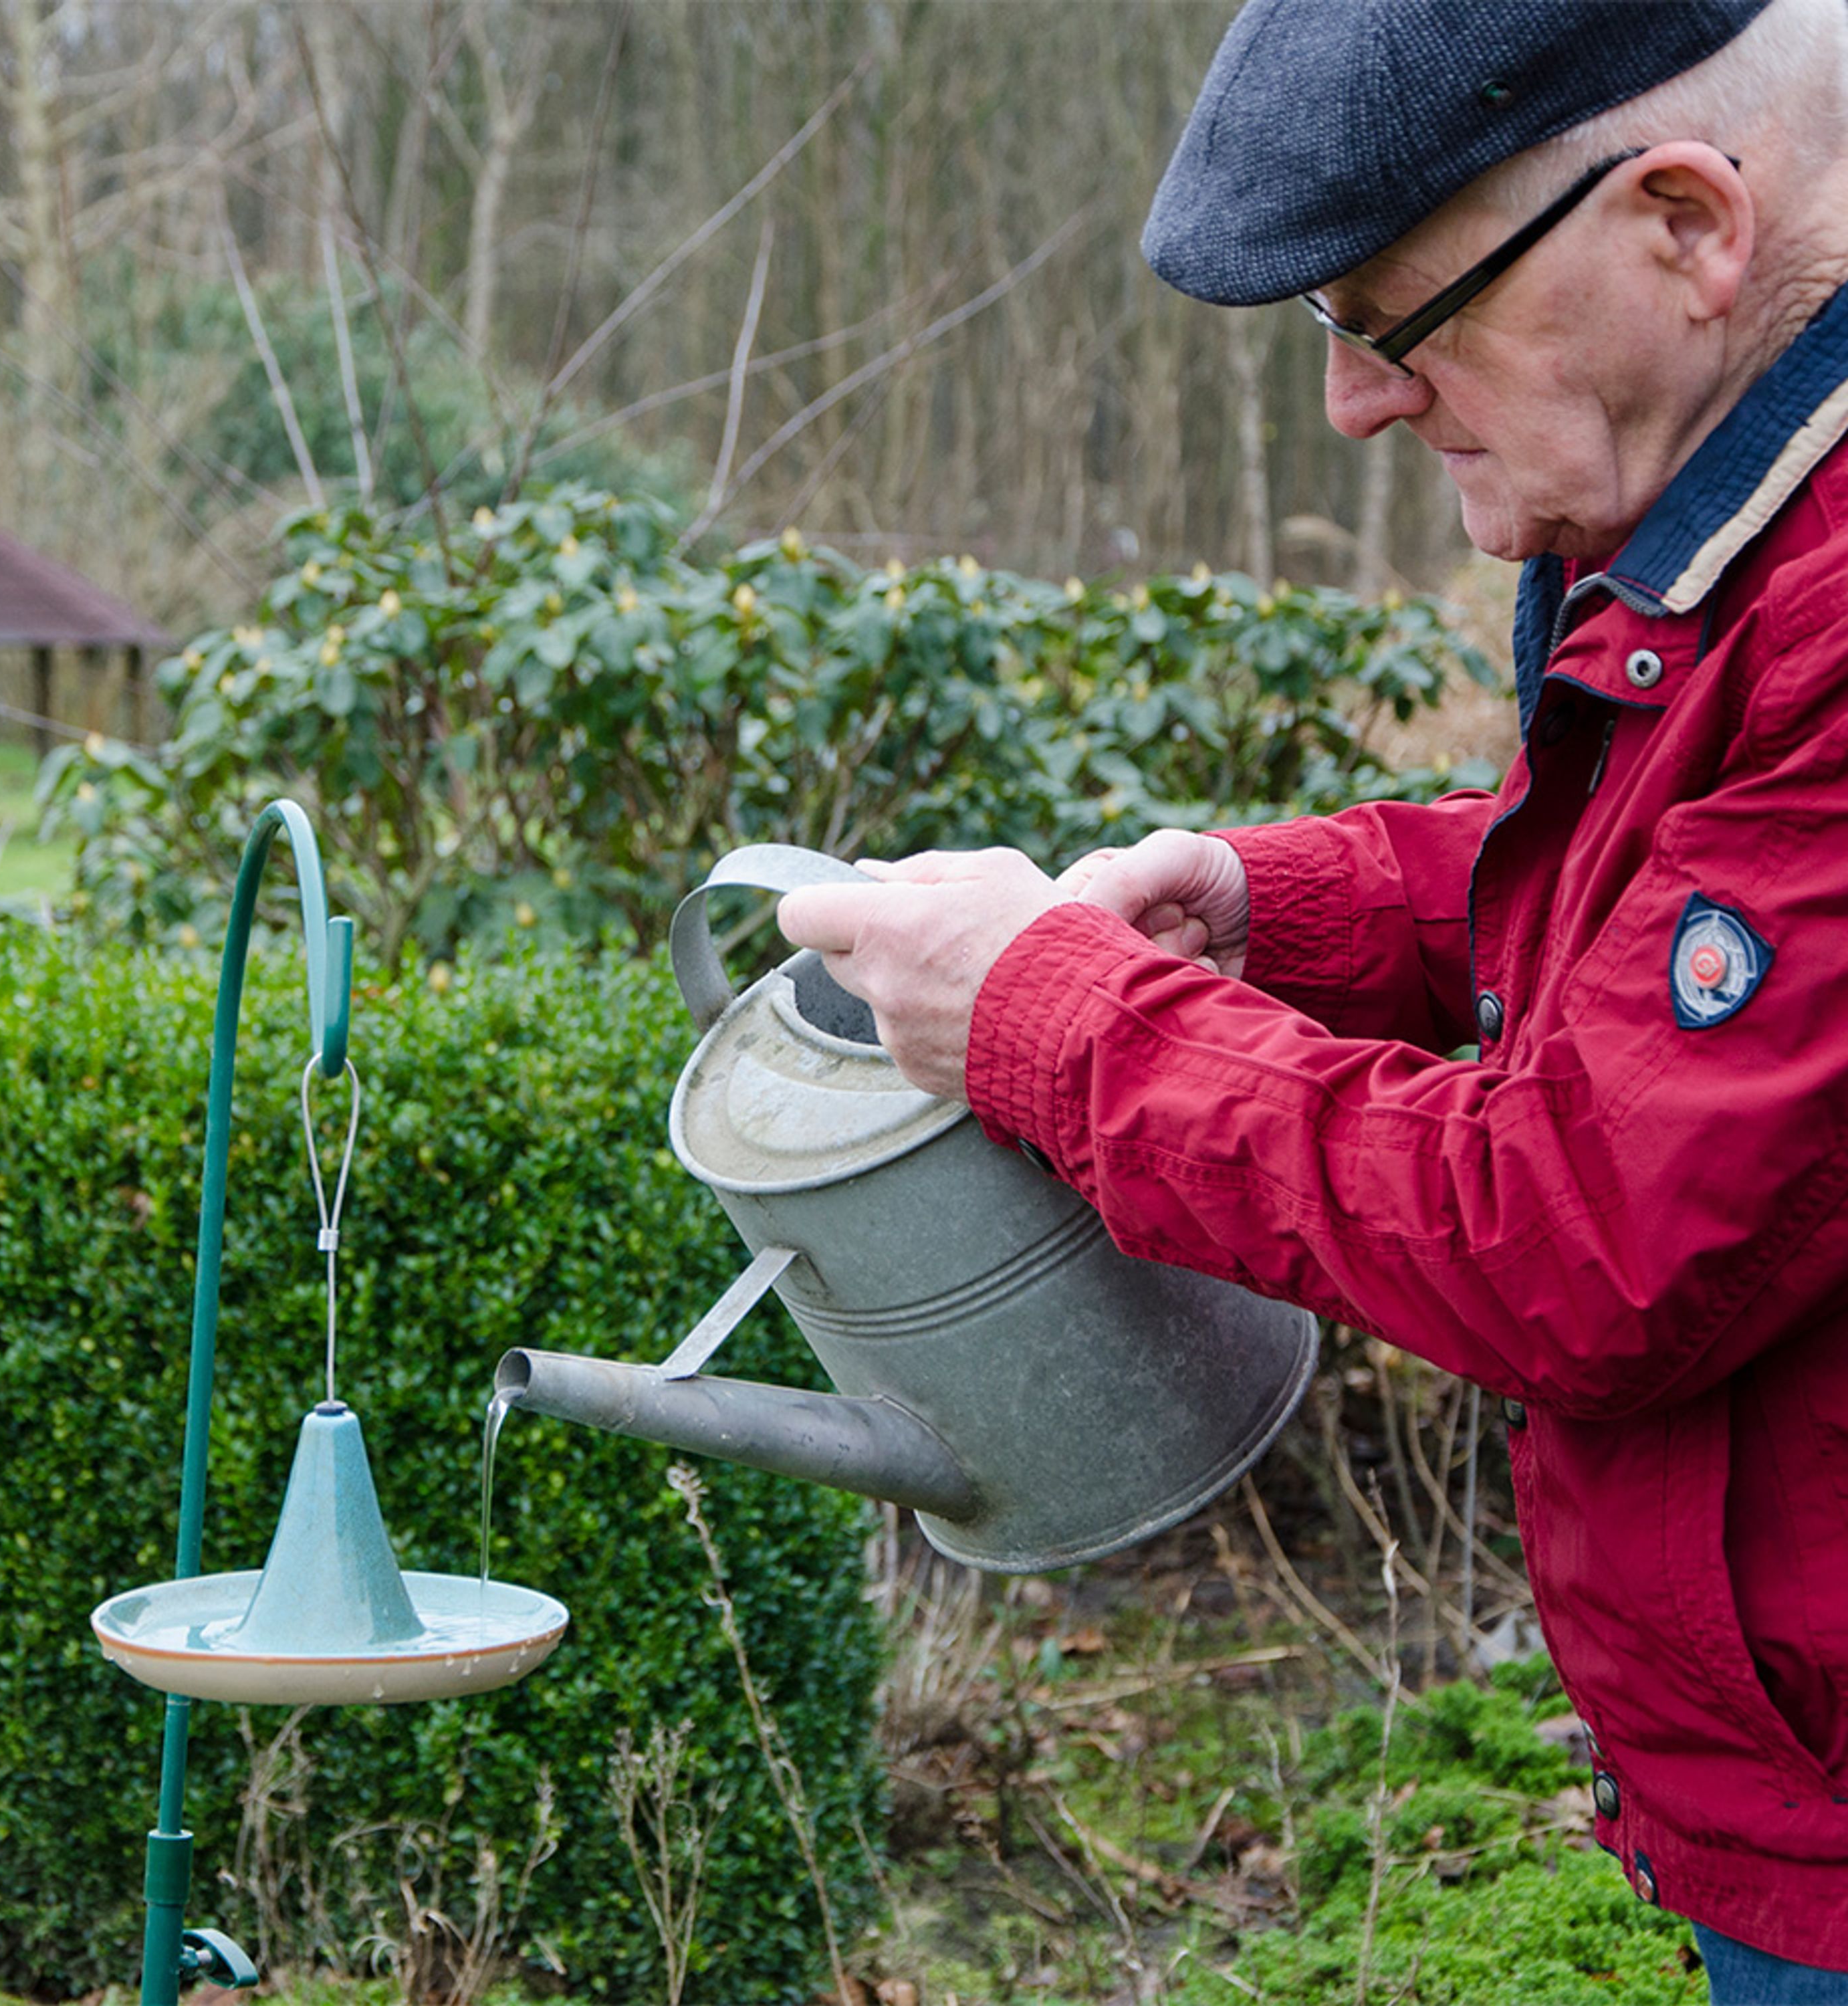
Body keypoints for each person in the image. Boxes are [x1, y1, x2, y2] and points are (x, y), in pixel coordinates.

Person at [776, 0, 1848, 1994]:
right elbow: (1694, 894)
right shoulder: (1738, 521)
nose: (1355, 405)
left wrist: (1056, 1019)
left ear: (1690, 227)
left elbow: (1584, 1232)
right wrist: (1283, 908)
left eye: (1393, 320)